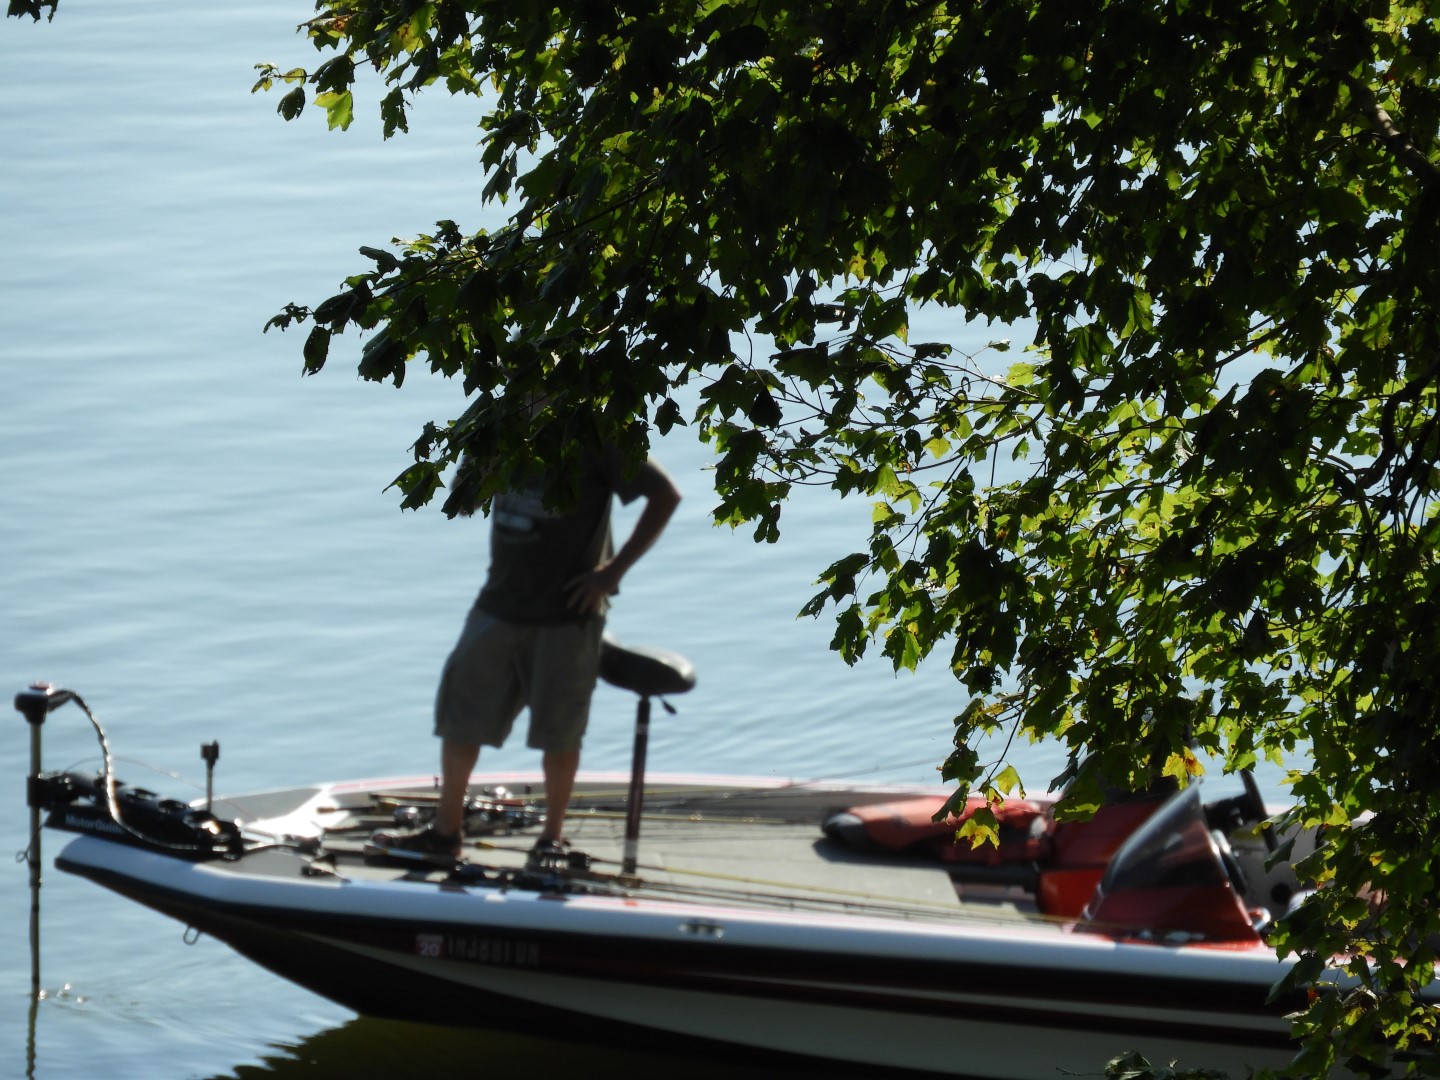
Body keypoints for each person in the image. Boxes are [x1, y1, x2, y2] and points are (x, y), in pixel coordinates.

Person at [373, 446, 681, 865]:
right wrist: (477, 453)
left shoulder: (596, 431)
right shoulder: (501, 422)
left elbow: (666, 495)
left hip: (568, 614)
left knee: (559, 731)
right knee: (460, 718)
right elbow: (465, 503)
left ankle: (550, 840)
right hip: (497, 604)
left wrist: (611, 574)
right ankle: (446, 833)